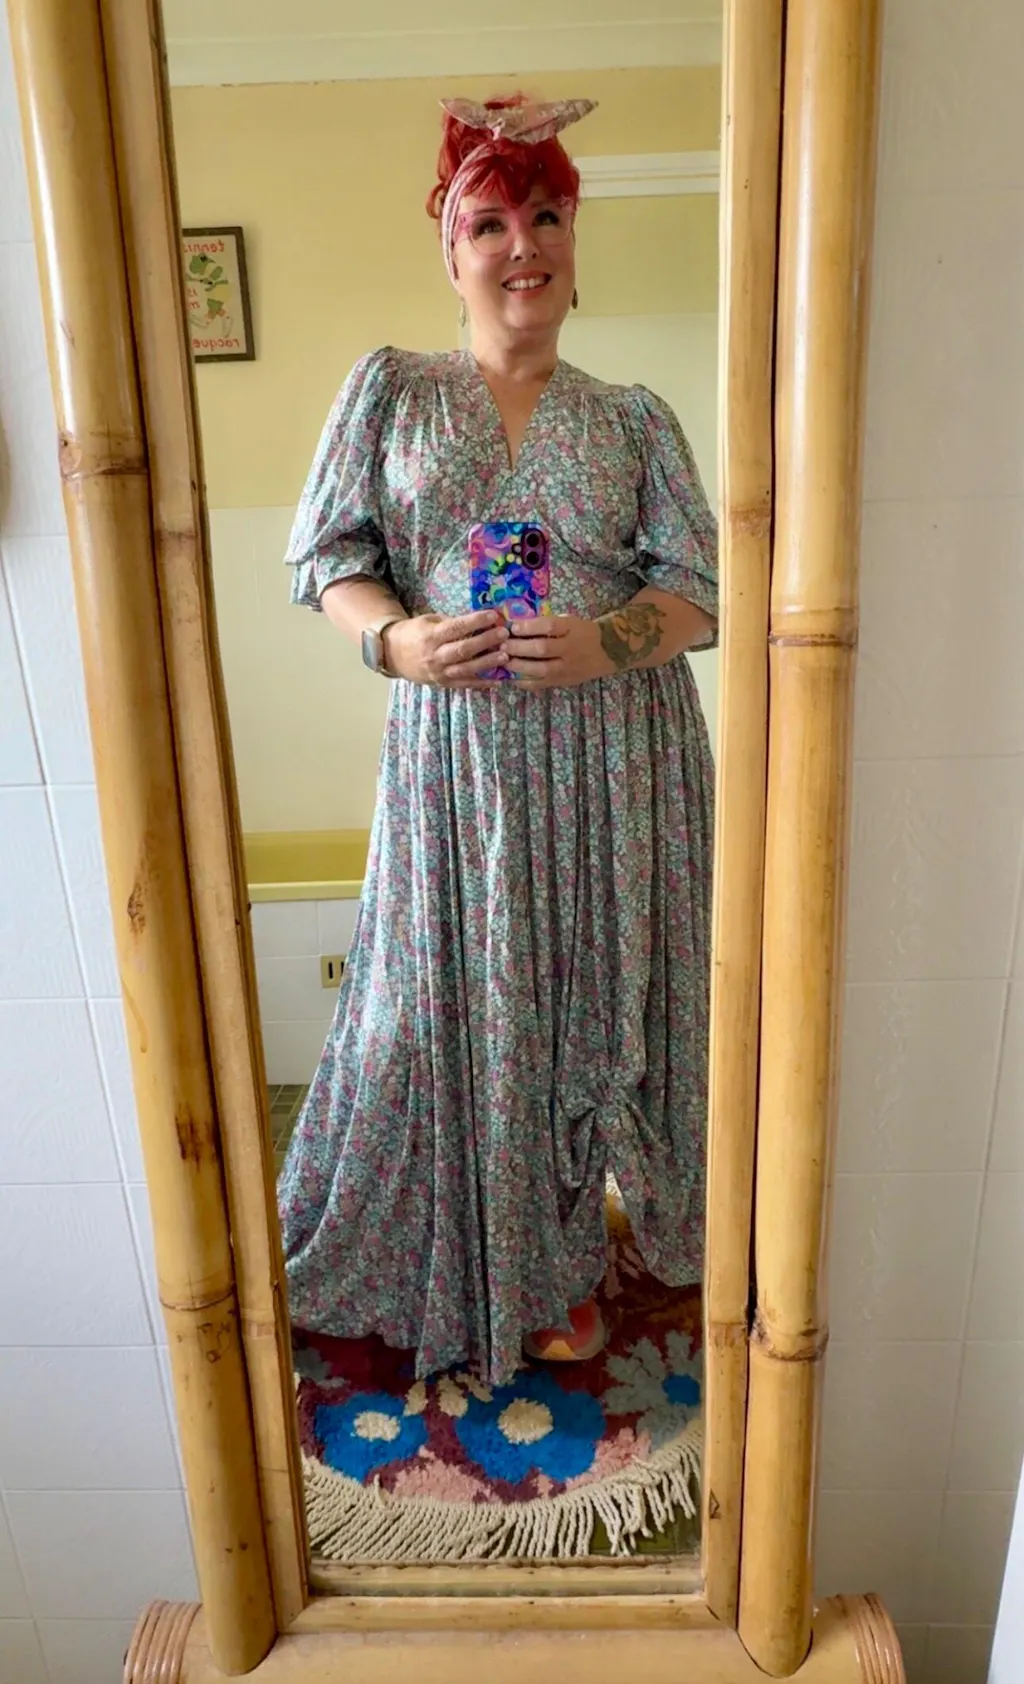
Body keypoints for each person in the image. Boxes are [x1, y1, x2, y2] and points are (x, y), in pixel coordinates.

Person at [277, 93, 718, 1387]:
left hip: (620, 760)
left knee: (611, 1006)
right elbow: (328, 560)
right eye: (488, 223)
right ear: (449, 247)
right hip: (458, 765)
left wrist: (606, 641)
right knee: (453, 1013)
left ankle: (609, 1238)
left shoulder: (634, 417)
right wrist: (396, 642)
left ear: (575, 237)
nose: (521, 244)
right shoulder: (392, 390)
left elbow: (699, 593)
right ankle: (509, 1267)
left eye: (545, 216)